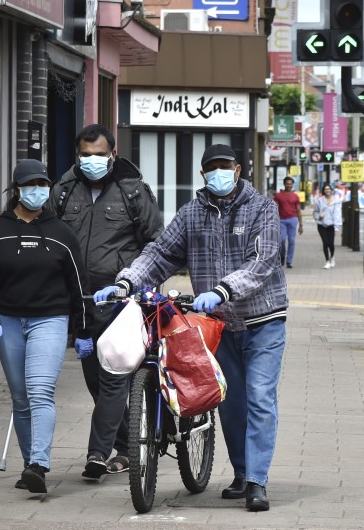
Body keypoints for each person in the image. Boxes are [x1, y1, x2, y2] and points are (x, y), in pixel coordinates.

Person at [94, 143, 287, 512]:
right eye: (211, 168)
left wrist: (222, 289)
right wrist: (126, 282)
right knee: (227, 400)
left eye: (225, 166)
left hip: (264, 320)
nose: (218, 173)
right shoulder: (192, 213)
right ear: (202, 174)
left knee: (260, 398)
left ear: (238, 169)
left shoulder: (263, 208)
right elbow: (160, 253)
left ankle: (257, 482)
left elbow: (262, 261)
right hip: (217, 326)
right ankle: (243, 473)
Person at [48, 124, 163, 481]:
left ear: (112, 154)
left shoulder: (132, 192)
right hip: (79, 304)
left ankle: (98, 454)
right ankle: (130, 444)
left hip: (120, 302)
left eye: (100, 154)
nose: (93, 160)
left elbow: (157, 244)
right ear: (77, 155)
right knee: (95, 380)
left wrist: (138, 288)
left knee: (113, 378)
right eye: (86, 155)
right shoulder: (63, 193)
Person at [0, 159, 91, 494]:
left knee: (40, 392)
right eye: (30, 185)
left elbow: (77, 286)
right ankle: (29, 467)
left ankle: (39, 463)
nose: (37, 191)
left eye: (42, 185)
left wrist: (83, 332)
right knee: (21, 399)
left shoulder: (62, 234)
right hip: (8, 322)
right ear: (17, 190)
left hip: (50, 321)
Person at [273, 176, 303, 268]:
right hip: (281, 221)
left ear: (292, 185)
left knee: (292, 241)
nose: (289, 185)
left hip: (292, 220)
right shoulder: (278, 196)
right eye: (287, 183)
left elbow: (298, 210)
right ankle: (282, 257)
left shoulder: (295, 196)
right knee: (281, 240)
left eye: (290, 184)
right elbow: (274, 209)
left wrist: (301, 224)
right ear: (284, 184)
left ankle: (289, 261)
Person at [312, 184, 343, 269]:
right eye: (325, 189)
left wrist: (336, 227)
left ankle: (332, 257)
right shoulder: (319, 201)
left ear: (331, 190)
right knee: (325, 243)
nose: (327, 190)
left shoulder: (336, 201)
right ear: (323, 191)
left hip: (331, 225)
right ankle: (327, 261)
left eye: (328, 189)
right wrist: (319, 216)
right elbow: (315, 213)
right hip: (321, 225)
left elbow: (337, 215)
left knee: (331, 244)